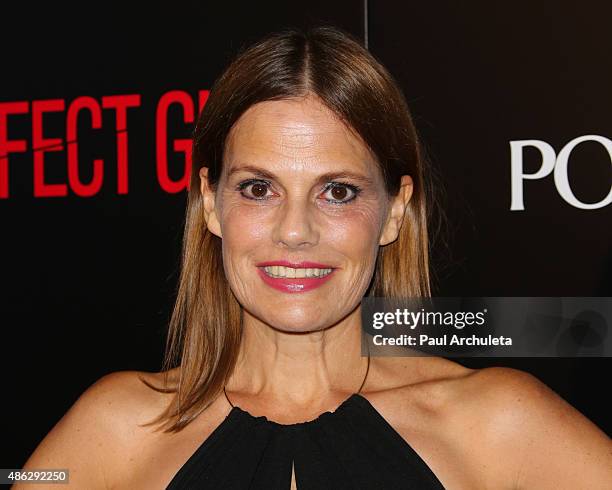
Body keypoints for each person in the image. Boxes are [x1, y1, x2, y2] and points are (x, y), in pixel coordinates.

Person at [17, 25, 612, 490]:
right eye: (258, 188)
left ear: (395, 212)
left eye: (338, 191)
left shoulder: (496, 422)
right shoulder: (117, 426)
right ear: (212, 204)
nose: (295, 232)